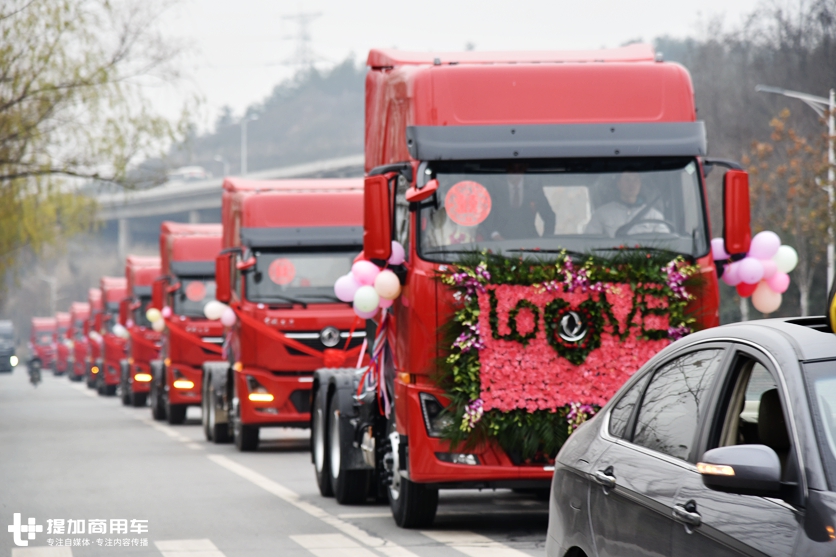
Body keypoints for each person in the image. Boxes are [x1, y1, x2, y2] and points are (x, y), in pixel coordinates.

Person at [483, 164, 556, 241]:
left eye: (519, 168)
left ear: (524, 169)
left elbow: (549, 216)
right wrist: (495, 235)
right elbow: (485, 214)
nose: (515, 172)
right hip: (498, 243)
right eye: (512, 168)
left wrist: (545, 241)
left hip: (530, 242)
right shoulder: (494, 184)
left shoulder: (534, 186)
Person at [584, 172, 669, 237]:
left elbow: (665, 244)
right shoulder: (602, 213)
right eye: (627, 179)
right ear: (618, 184)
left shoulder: (654, 215)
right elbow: (590, 241)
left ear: (640, 184)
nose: (631, 184)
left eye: (635, 179)